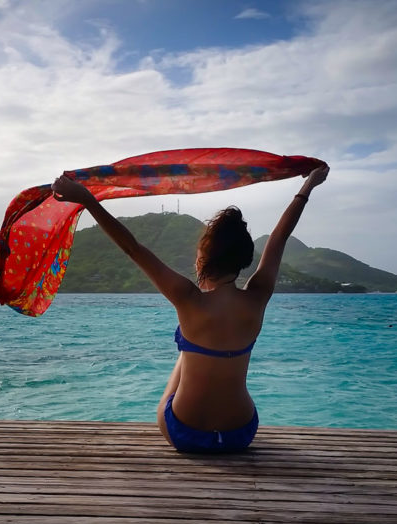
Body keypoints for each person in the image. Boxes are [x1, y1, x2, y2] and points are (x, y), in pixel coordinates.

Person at [51, 163, 329, 453]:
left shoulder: (188, 298)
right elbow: (279, 237)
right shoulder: (258, 296)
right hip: (240, 433)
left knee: (187, 348)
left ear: (203, 260)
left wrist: (86, 200)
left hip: (185, 433)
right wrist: (307, 186)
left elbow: (132, 248)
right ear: (243, 260)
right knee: (198, 345)